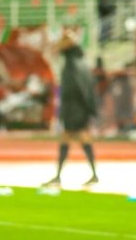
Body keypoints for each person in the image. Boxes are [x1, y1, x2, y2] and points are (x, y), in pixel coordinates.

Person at [43, 31, 99, 187]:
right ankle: (92, 174)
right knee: (80, 138)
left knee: (69, 138)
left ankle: (59, 176)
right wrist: (90, 109)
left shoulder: (72, 65)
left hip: (74, 110)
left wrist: (65, 111)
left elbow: (73, 90)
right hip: (79, 109)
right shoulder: (80, 62)